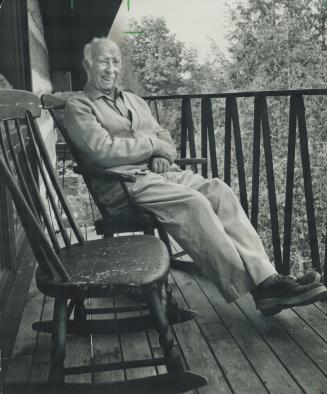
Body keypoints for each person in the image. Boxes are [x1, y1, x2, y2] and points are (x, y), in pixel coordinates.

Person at [64, 37, 327, 316]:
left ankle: (268, 277)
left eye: (115, 61)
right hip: (124, 184)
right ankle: (259, 288)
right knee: (194, 203)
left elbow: (165, 139)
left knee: (218, 190)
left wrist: (161, 155)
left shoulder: (134, 101)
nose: (110, 69)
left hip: (160, 174)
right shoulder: (80, 107)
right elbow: (103, 151)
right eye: (103, 61)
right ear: (88, 64)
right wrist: (152, 147)